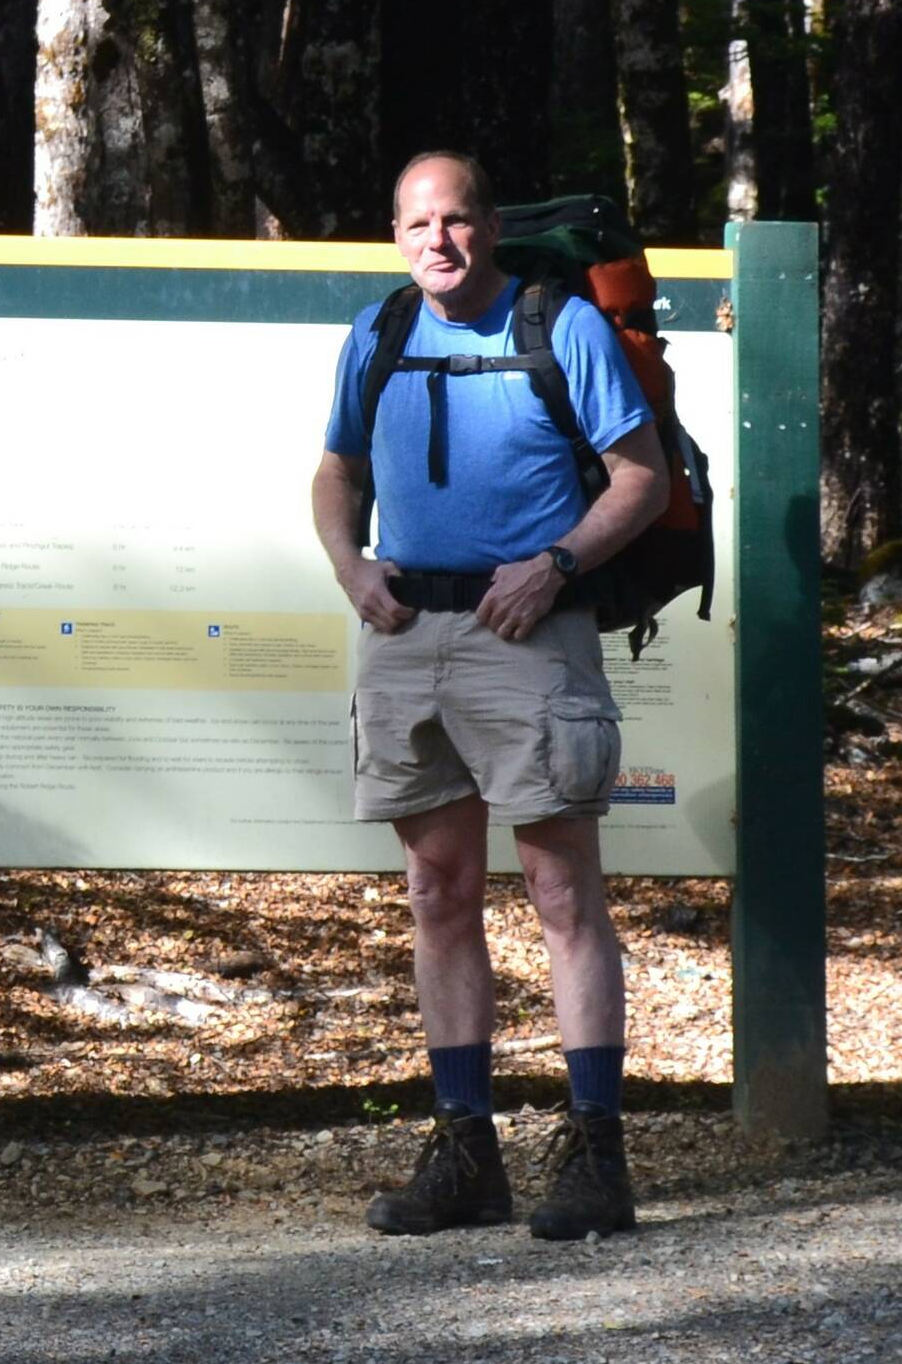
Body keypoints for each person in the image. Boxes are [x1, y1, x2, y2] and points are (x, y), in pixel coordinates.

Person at [312, 150, 669, 1240]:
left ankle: (594, 1153)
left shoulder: (557, 325)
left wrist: (556, 566)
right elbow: (337, 471)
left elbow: (642, 477)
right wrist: (350, 565)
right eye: (418, 224)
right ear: (395, 235)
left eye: (457, 220)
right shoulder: (376, 334)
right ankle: (467, 1149)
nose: (439, 242)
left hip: (528, 635)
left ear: (491, 225)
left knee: (562, 895)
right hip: (405, 632)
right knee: (437, 896)